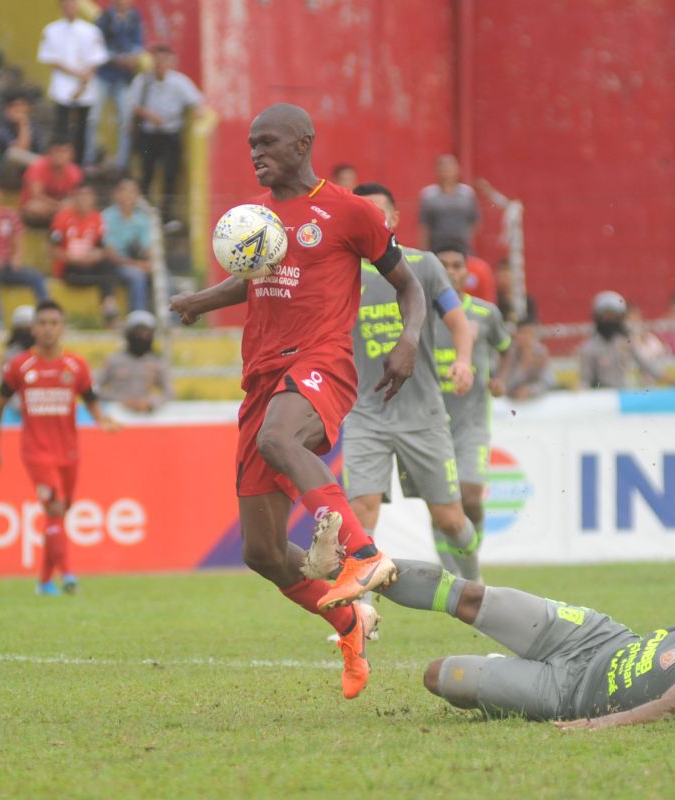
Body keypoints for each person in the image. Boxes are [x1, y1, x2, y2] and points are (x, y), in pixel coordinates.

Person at [167, 103, 426, 699]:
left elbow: (407, 284)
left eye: (269, 142)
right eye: (251, 144)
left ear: (304, 142)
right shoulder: (259, 217)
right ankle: (349, 621)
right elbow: (253, 275)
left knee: (279, 439)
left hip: (320, 363)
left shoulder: (351, 210)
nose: (256, 152)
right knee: (260, 550)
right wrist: (199, 302)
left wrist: (408, 340)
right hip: (261, 376)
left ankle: (362, 551)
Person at [374, 456, 675, 726]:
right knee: (471, 598)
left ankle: (509, 670)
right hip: (593, 635)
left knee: (439, 674)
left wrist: (594, 724)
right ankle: (362, 567)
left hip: (568, 694)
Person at [341, 185, 480, 580]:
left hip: (423, 415)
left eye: (378, 212)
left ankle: (476, 585)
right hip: (366, 414)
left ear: (396, 218)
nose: (371, 220)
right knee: (362, 510)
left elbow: (458, 322)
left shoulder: (423, 264)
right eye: (362, 214)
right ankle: (357, 612)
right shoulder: (343, 273)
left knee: (451, 519)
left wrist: (465, 362)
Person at [0, 299, 119, 596]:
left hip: (69, 451)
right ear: (33, 328)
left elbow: (90, 398)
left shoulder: (75, 365)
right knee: (56, 506)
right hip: (36, 452)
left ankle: (44, 582)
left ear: (62, 328)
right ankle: (68, 575)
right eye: (42, 323)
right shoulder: (21, 366)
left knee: (59, 513)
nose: (48, 329)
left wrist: (102, 420)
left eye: (54, 323)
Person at [433, 241, 513, 560]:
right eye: (444, 265)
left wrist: (500, 378)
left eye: (457, 265)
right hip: (430, 422)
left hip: (472, 423)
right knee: (440, 501)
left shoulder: (485, 312)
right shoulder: (418, 310)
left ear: (467, 271)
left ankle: (470, 557)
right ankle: (449, 572)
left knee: (470, 497)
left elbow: (506, 348)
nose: (450, 271)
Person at [129, 43, 206, 225]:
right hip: (149, 134)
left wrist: (197, 111)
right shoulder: (143, 81)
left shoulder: (179, 82)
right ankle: (143, 212)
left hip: (170, 134)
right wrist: (149, 115)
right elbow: (133, 104)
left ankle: (167, 215)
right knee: (147, 172)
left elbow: (196, 101)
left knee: (170, 174)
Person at [37, 0, 108, 165]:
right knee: (61, 128)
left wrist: (82, 82)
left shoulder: (91, 31)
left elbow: (96, 59)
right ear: (61, 7)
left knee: (82, 129)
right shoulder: (51, 30)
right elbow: (51, 59)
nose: (70, 8)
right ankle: (60, 163)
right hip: (62, 84)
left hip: (85, 86)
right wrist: (76, 74)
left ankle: (79, 164)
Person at [0, 179, 48, 326]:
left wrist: (16, 258)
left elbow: (18, 239)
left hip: (8, 265)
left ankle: (46, 314)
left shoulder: (9, 214)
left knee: (36, 277)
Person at [579, 291, 675, 390]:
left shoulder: (625, 343)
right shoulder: (589, 348)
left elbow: (648, 366)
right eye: (606, 316)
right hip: (602, 400)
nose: (609, 320)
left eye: (613, 316)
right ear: (598, 317)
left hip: (624, 396)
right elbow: (585, 381)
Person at [50, 183, 121, 324]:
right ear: (74, 198)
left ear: (93, 199)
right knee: (104, 277)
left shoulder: (96, 218)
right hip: (70, 267)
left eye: (87, 196)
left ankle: (109, 305)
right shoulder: (63, 218)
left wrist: (97, 255)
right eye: (81, 196)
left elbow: (103, 248)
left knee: (108, 265)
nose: (84, 200)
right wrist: (73, 258)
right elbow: (51, 249)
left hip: (89, 265)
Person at [89, 0, 143, 169]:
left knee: (125, 121)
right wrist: (117, 58)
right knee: (93, 118)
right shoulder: (105, 18)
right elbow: (97, 46)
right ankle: (89, 159)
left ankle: (122, 164)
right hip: (104, 75)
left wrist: (132, 57)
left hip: (123, 78)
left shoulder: (134, 18)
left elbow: (139, 43)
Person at [97, 310, 172, 413]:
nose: (142, 337)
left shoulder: (157, 362)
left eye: (146, 334)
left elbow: (169, 392)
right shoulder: (113, 360)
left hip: (146, 419)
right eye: (138, 333)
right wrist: (120, 401)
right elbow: (96, 389)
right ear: (129, 334)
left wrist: (151, 403)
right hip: (117, 417)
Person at [101, 177, 152, 312]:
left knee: (164, 277)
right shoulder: (106, 217)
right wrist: (137, 265)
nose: (128, 196)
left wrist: (151, 263)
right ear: (116, 194)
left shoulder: (141, 219)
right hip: (114, 267)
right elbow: (109, 253)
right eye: (124, 191)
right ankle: (138, 318)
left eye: (132, 192)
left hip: (136, 263)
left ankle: (172, 320)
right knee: (137, 276)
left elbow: (148, 247)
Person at [418, 153, 479, 252]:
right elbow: (424, 225)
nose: (446, 172)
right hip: (436, 245)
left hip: (462, 245)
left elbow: (475, 221)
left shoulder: (467, 194)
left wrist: (466, 237)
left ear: (458, 170)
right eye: (443, 169)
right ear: (437, 171)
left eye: (450, 169)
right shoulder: (428, 195)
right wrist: (424, 250)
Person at [20, 137, 83, 227]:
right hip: (41, 205)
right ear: (50, 152)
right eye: (57, 151)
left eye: (64, 151)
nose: (60, 155)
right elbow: (36, 195)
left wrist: (67, 204)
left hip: (59, 207)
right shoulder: (38, 166)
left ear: (71, 155)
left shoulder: (75, 172)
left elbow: (75, 196)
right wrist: (57, 206)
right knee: (35, 208)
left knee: (74, 206)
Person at [0, 92, 46, 190]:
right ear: (7, 109)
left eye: (22, 105)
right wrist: (23, 124)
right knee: (13, 153)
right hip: (8, 177)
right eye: (15, 106)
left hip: (30, 177)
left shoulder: (34, 126)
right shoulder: (2, 127)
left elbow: (41, 150)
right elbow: (20, 150)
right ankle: (47, 168)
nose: (19, 109)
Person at [505, 316, 555, 400]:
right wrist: (523, 364)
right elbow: (504, 385)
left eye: (532, 334)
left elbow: (549, 382)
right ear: (516, 334)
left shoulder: (540, 352)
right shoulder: (507, 353)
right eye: (524, 333)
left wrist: (530, 390)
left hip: (533, 403)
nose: (528, 338)